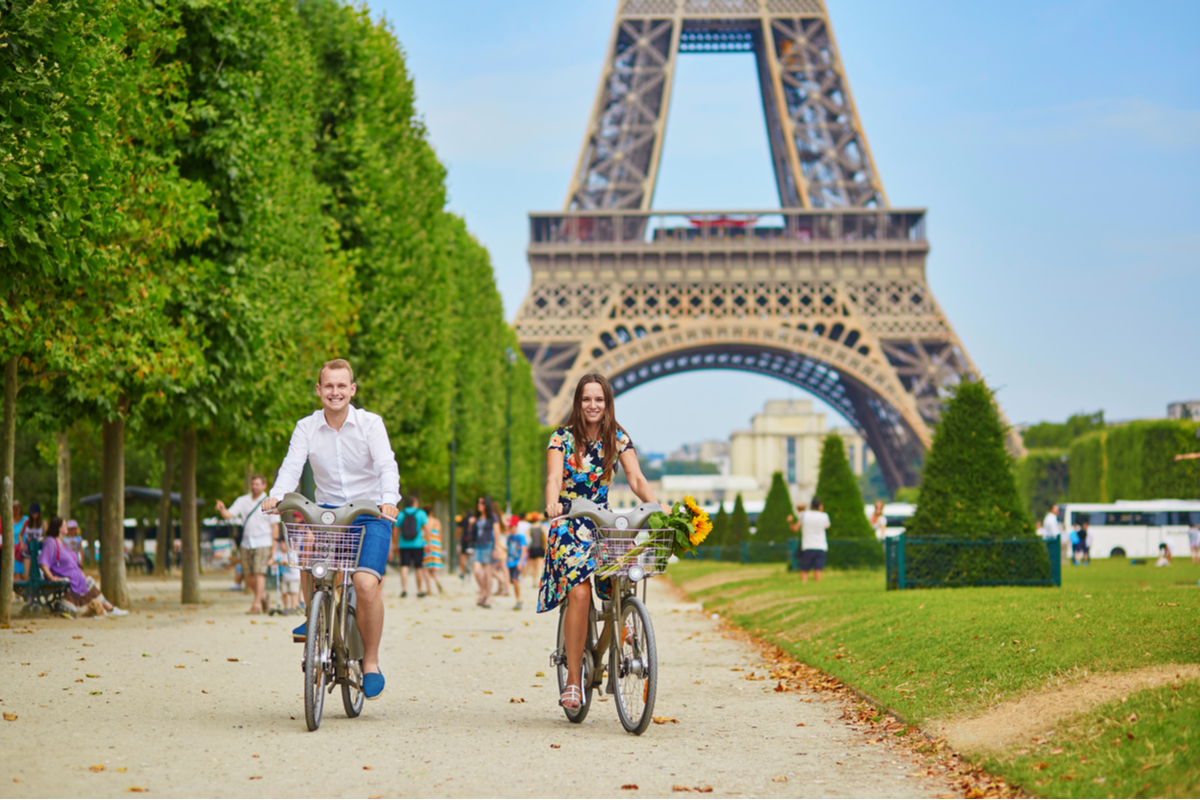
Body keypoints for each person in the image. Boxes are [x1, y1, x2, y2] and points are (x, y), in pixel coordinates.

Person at [262, 358, 400, 700]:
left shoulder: (371, 424)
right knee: (311, 561)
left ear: (352, 390)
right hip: (328, 513)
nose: (335, 392)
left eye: (342, 386)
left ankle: (370, 662)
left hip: (371, 512)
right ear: (319, 390)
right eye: (329, 386)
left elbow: (386, 465)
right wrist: (277, 495)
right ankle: (315, 619)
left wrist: (388, 500)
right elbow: (292, 465)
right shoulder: (306, 427)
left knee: (366, 584)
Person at [539, 373, 665, 710]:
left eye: (599, 399)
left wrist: (656, 506)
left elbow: (636, 477)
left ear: (607, 404)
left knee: (620, 582)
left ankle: (623, 630)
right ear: (577, 403)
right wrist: (553, 504)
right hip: (568, 522)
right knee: (580, 593)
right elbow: (553, 478)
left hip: (603, 524)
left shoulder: (617, 438)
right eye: (586, 399)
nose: (592, 405)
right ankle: (573, 680)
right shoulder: (560, 439)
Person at [37, 517, 128, 617]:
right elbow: (43, 562)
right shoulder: (51, 542)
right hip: (63, 575)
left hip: (74, 575)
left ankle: (107, 608)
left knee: (87, 581)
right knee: (88, 581)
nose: (67, 527)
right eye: (65, 525)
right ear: (59, 528)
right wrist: (51, 577)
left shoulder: (62, 543)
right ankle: (109, 608)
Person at [215, 473, 278, 615]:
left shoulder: (270, 502)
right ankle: (263, 596)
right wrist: (222, 509)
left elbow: (275, 527)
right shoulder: (242, 501)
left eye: (257, 484)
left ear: (264, 485)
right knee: (249, 577)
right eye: (253, 484)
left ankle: (256, 605)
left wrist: (274, 549)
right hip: (246, 542)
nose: (255, 487)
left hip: (263, 541)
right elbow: (229, 515)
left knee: (258, 572)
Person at [790, 497, 830, 583]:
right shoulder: (824, 516)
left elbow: (795, 529)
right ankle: (817, 585)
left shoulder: (804, 515)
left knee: (804, 569)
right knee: (818, 569)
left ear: (811, 505)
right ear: (820, 506)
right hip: (821, 546)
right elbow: (827, 526)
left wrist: (790, 522)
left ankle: (804, 584)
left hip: (808, 546)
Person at [395, 495, 427, 598]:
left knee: (404, 566)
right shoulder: (421, 513)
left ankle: (404, 589)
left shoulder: (400, 514)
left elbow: (395, 531)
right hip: (418, 544)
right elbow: (426, 529)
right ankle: (419, 590)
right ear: (415, 503)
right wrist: (428, 542)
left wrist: (395, 544)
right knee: (418, 567)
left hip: (403, 545)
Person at [472, 496, 501, 608]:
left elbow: (497, 532)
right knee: (476, 571)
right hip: (478, 546)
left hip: (488, 545)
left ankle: (488, 597)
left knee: (488, 574)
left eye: (482, 503)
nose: (479, 505)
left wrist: (496, 548)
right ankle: (483, 591)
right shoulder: (477, 517)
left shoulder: (492, 517)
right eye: (478, 503)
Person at [506, 515, 528, 611]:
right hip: (510, 562)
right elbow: (508, 549)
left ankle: (519, 600)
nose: (510, 528)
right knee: (512, 581)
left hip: (517, 562)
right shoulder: (509, 537)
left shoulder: (520, 537)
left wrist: (521, 562)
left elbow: (524, 549)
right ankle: (517, 599)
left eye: (511, 526)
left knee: (515, 580)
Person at [422, 508, 444, 595]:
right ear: (431, 512)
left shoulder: (424, 521)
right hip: (436, 544)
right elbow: (440, 534)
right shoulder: (436, 521)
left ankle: (429, 589)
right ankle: (437, 580)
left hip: (427, 544)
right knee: (432, 568)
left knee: (426, 568)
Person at [525, 512, 546, 590]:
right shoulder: (542, 527)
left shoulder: (530, 529)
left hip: (532, 549)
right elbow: (545, 537)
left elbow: (527, 540)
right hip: (540, 548)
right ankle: (539, 582)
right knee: (539, 567)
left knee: (533, 567)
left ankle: (534, 582)